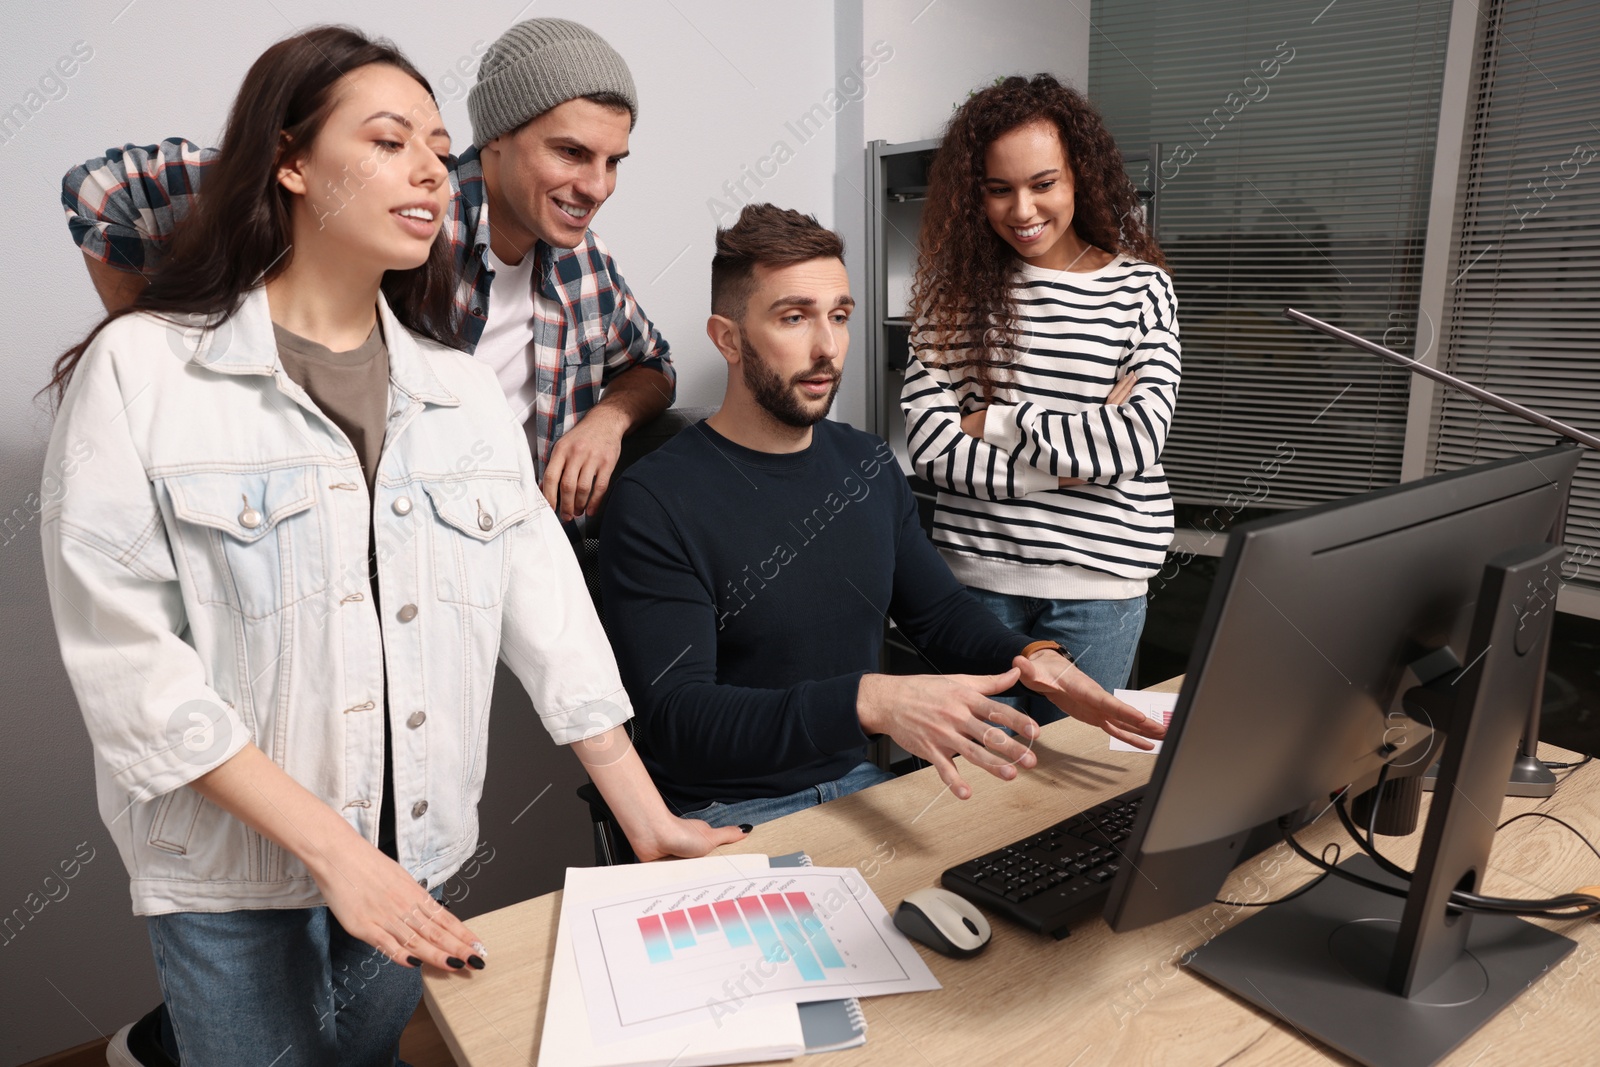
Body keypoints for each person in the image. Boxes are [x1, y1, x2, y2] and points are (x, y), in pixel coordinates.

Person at [39, 28, 741, 1067]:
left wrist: (647, 816)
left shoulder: (460, 389)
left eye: (436, 142)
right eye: (387, 139)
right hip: (236, 874)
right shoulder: (141, 373)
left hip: (417, 846)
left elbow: (544, 606)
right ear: (288, 161)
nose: (427, 168)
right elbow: (130, 670)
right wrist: (336, 857)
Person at [598, 204, 1165, 829]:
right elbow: (679, 721)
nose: (827, 348)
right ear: (727, 337)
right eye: (794, 318)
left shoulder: (864, 462)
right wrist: (866, 700)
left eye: (839, 317)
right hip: (727, 813)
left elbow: (940, 612)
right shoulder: (655, 499)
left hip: (860, 789)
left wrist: (1038, 657)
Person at [62, 17, 668, 526]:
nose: (596, 186)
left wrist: (607, 422)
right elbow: (106, 193)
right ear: (497, 139)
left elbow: (652, 365)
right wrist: (170, 367)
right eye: (571, 152)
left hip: (502, 542)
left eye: (613, 161)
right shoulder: (396, 211)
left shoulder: (584, 266)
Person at [899, 73, 1181, 722]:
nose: (1022, 211)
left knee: (1064, 789)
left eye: (1042, 183)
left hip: (1099, 588)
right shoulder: (953, 297)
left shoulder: (1141, 292)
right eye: (999, 190)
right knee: (979, 779)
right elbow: (933, 451)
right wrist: (1076, 467)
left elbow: (1136, 439)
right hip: (971, 582)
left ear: (1080, 174)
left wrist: (994, 419)